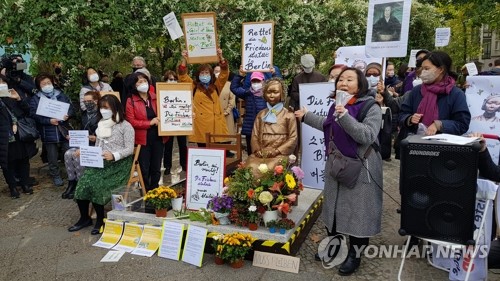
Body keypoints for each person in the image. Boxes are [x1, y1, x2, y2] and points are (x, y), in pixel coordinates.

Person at [295, 67, 383, 275]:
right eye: (340, 79)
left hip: (362, 166)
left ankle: (355, 254)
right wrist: (306, 116)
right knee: (333, 206)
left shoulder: (371, 107)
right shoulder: (337, 105)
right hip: (337, 163)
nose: (343, 83)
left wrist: (344, 115)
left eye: (349, 79)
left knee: (358, 211)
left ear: (360, 85)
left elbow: (367, 135)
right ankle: (334, 245)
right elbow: (328, 126)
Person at [69, 95, 135, 235]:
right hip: (102, 162)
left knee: (97, 184)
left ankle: (100, 220)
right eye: (101, 107)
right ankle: (84, 218)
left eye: (106, 107)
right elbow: (98, 147)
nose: (103, 110)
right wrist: (85, 151)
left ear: (115, 108)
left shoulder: (125, 126)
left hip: (119, 164)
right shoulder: (101, 125)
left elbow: (129, 149)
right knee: (83, 182)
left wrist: (114, 155)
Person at [399, 51, 471, 137]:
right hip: (414, 144)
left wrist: (439, 125)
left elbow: (462, 124)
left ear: (441, 70)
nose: (422, 72)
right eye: (422, 68)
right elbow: (402, 114)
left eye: (427, 69)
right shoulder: (416, 91)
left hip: (442, 146)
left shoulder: (456, 94)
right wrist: (409, 119)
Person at [244, 78, 297, 178]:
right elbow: (254, 135)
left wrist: (276, 151)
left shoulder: (288, 115)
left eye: (275, 92)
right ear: (264, 94)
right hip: (262, 152)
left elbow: (293, 138)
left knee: (270, 168)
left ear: (282, 94)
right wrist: (257, 150)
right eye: (269, 92)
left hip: (280, 154)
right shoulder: (261, 114)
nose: (272, 95)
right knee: (250, 166)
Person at [29, 73, 75, 186]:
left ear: (52, 82)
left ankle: (72, 175)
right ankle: (56, 175)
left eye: (48, 83)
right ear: (39, 86)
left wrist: (67, 115)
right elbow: (33, 115)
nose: (47, 85)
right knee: (52, 157)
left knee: (69, 152)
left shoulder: (61, 95)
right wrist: (48, 121)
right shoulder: (36, 99)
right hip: (48, 131)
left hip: (63, 129)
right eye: (43, 84)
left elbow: (71, 108)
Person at [125, 72, 168, 192]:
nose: (143, 83)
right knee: (144, 168)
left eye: (145, 80)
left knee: (157, 167)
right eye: (139, 81)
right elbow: (131, 121)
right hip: (142, 140)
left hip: (158, 138)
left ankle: (155, 191)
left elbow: (168, 111)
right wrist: (149, 123)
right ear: (134, 85)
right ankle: (146, 192)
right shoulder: (130, 101)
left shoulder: (156, 96)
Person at [177, 49, 229, 147]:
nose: (204, 75)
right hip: (200, 124)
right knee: (202, 150)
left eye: (206, 73)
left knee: (215, 152)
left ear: (211, 75)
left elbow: (224, 74)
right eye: (202, 73)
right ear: (198, 75)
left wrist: (221, 57)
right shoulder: (194, 86)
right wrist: (184, 59)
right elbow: (183, 76)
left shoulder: (217, 85)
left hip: (215, 124)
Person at [62, 91, 101, 199]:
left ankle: (81, 183)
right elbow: (79, 129)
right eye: (85, 101)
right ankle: (71, 182)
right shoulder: (83, 114)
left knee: (79, 155)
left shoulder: (101, 114)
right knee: (68, 154)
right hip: (84, 142)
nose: (87, 103)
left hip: (96, 144)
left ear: (96, 101)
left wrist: (96, 138)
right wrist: (73, 137)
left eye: (89, 101)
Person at [0, 75, 34, 197]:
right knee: (8, 162)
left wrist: (19, 98)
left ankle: (25, 184)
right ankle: (13, 187)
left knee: (23, 159)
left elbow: (28, 111)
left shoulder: (12, 94)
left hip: (19, 133)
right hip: (4, 135)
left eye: (3, 82)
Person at [230, 70, 267, 155]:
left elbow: (279, 90)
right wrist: (239, 76)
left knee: (264, 153)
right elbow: (234, 88)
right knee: (251, 153)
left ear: (263, 81)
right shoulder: (248, 93)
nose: (256, 83)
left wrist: (274, 73)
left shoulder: (268, 94)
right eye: (254, 81)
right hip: (250, 128)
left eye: (258, 81)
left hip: (264, 129)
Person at [162, 71, 187, 175]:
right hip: (168, 122)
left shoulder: (183, 91)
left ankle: (184, 165)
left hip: (181, 121)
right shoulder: (162, 92)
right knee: (168, 146)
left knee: (182, 145)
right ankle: (167, 167)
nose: (172, 81)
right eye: (170, 79)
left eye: (174, 79)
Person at [215, 65, 237, 156]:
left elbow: (232, 99)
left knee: (227, 134)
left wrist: (227, 110)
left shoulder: (229, 84)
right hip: (214, 114)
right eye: (216, 71)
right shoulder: (212, 85)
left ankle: (227, 152)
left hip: (226, 113)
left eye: (220, 71)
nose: (218, 73)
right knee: (215, 134)